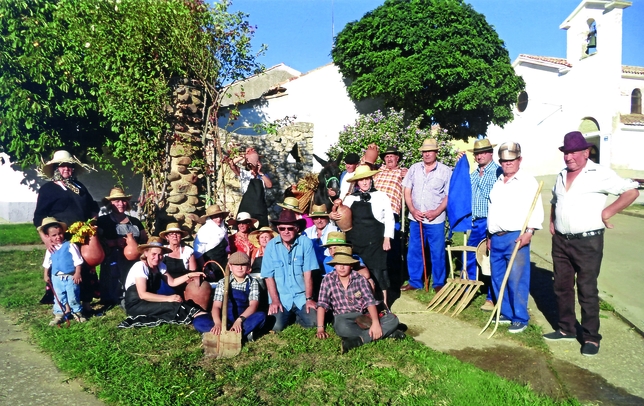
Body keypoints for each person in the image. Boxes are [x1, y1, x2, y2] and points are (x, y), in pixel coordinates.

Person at [544, 131, 639, 356]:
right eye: (566, 153)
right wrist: (552, 222)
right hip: (561, 241)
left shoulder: (599, 173)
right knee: (561, 287)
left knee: (587, 289)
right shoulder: (561, 175)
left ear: (586, 152)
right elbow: (555, 201)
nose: (569, 157)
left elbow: (632, 191)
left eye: (574, 152)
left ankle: (591, 338)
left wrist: (608, 211)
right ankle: (566, 329)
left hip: (588, 242)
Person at [487, 142, 543, 334]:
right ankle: (505, 312)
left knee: (517, 278)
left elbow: (535, 208)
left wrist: (529, 232)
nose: (507, 164)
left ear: (519, 160)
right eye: (504, 161)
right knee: (497, 277)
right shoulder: (498, 182)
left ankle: (520, 317)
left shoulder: (527, 181)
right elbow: (492, 210)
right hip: (496, 238)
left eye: (511, 160)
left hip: (516, 237)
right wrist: (489, 235)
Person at [33, 150, 99, 314]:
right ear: (56, 168)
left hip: (83, 235)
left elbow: (92, 207)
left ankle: (85, 302)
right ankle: (66, 304)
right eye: (63, 166)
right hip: (62, 237)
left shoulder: (79, 187)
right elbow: (39, 217)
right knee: (66, 269)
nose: (66, 169)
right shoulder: (48, 189)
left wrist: (93, 223)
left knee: (85, 267)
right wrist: (46, 239)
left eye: (69, 166)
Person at [315, 248, 404, 354]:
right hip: (343, 317)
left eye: (345, 264)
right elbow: (322, 303)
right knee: (341, 327)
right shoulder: (328, 280)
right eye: (338, 264)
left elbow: (370, 301)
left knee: (392, 319)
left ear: (352, 265)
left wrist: (375, 323)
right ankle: (388, 333)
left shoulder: (360, 279)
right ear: (334, 265)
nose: (342, 267)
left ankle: (358, 340)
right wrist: (320, 328)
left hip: (364, 315)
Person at [335, 165, 394, 307]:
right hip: (354, 242)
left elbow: (389, 218)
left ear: (371, 179)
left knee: (379, 272)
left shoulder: (381, 196)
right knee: (357, 273)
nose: (365, 182)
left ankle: (384, 304)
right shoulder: (349, 199)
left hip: (375, 241)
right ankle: (358, 303)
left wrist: (387, 238)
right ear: (357, 182)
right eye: (361, 180)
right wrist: (333, 215)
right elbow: (341, 219)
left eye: (367, 179)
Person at [118, 237, 207, 328]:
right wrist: (169, 298)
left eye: (160, 255)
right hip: (137, 304)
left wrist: (190, 275)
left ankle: (201, 317)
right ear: (146, 253)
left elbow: (172, 282)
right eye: (154, 254)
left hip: (149, 301)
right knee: (172, 305)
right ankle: (202, 318)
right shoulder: (140, 266)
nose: (157, 258)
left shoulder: (160, 266)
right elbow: (143, 295)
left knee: (177, 304)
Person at [401, 138, 451, 292]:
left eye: (430, 151)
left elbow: (448, 196)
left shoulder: (445, 171)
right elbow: (407, 191)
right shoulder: (414, 168)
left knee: (437, 252)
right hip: (416, 219)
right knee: (414, 250)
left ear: (436, 152)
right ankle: (415, 281)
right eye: (424, 152)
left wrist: (436, 212)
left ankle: (438, 283)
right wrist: (413, 209)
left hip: (436, 219)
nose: (427, 154)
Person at [260, 209, 319, 332]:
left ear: (297, 228)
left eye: (290, 228)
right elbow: (268, 276)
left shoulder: (305, 243)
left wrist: (309, 299)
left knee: (315, 322)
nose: (286, 231)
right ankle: (289, 316)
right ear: (278, 229)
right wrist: (275, 301)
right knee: (276, 327)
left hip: (301, 297)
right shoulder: (271, 246)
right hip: (282, 297)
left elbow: (308, 273)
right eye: (282, 228)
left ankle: (296, 316)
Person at [466, 139, 502, 311]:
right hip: (475, 223)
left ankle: (491, 296)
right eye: (477, 153)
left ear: (490, 153)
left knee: (490, 260)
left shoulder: (498, 173)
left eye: (483, 153)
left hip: (490, 223)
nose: (480, 156)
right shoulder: (472, 176)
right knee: (471, 257)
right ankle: (469, 289)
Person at [97, 187, 147, 306]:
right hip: (112, 255)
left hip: (132, 258)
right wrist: (113, 242)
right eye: (117, 201)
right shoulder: (103, 221)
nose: (121, 203)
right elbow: (98, 240)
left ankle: (131, 294)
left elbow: (144, 239)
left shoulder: (135, 221)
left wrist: (136, 247)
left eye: (123, 200)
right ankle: (112, 297)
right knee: (113, 270)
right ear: (110, 203)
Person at [199, 252, 267, 341]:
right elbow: (216, 306)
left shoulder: (252, 282)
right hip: (225, 319)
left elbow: (253, 305)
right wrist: (218, 323)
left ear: (248, 267)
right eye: (236, 265)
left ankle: (223, 335)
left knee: (261, 316)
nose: (240, 267)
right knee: (198, 321)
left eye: (243, 264)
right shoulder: (223, 282)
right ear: (230, 267)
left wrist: (239, 320)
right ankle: (238, 335)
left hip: (243, 319)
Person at [39, 217, 85, 325]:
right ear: (47, 236)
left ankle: (77, 312)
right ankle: (60, 313)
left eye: (59, 234)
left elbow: (78, 261)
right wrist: (46, 274)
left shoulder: (70, 246)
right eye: (54, 235)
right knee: (59, 296)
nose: (58, 237)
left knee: (73, 295)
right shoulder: (50, 249)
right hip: (56, 278)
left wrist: (77, 273)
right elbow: (47, 263)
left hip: (70, 276)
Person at [373, 146, 408, 290]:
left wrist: (406, 175)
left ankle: (393, 280)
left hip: (391, 213)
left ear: (397, 158)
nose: (389, 159)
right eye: (386, 157)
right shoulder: (377, 171)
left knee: (391, 247)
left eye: (392, 156)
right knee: (375, 246)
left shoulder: (403, 172)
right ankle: (375, 278)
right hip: (374, 212)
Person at [160, 223, 212, 311]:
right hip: (166, 283)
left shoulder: (188, 251)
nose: (174, 236)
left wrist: (190, 279)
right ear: (167, 237)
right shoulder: (162, 251)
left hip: (183, 284)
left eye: (177, 233)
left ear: (181, 237)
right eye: (171, 234)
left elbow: (193, 271)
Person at [226, 147, 272, 227]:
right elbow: (231, 164)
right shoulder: (244, 174)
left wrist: (260, 173)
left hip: (260, 208)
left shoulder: (263, 175)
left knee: (261, 229)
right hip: (247, 207)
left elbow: (269, 185)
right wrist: (245, 156)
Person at [193, 204, 230, 281]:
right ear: (210, 218)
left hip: (224, 265)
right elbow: (198, 253)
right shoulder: (204, 231)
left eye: (220, 216)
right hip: (211, 266)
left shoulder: (223, 229)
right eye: (215, 217)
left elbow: (226, 248)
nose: (219, 219)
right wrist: (207, 270)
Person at [303, 204, 338, 269]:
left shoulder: (335, 231)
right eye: (316, 218)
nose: (319, 221)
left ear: (326, 218)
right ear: (312, 219)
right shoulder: (306, 233)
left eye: (322, 217)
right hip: (312, 268)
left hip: (330, 267)